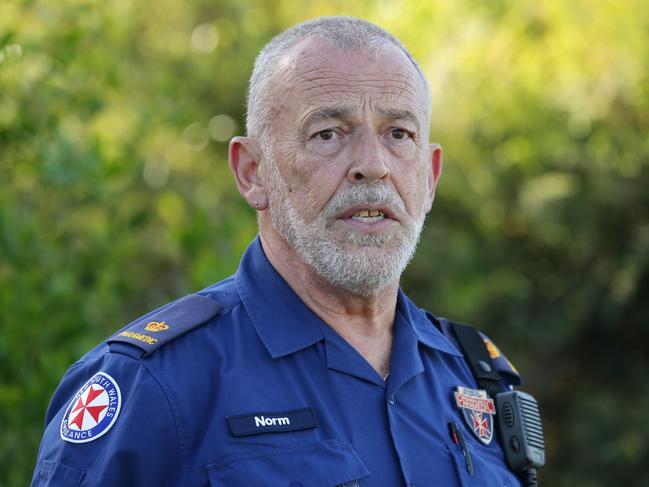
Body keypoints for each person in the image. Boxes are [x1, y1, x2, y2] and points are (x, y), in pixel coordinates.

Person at [31, 16, 523, 486]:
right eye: (328, 134)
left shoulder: (478, 380)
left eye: (400, 134)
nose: (373, 166)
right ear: (251, 172)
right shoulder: (152, 386)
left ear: (430, 176)